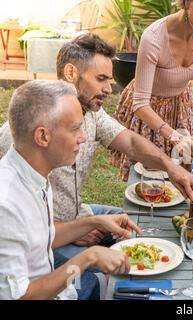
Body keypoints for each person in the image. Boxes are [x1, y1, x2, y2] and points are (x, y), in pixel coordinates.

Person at [0, 33, 193, 264]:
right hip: (45, 241)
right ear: (71, 73)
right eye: (101, 79)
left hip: (77, 215)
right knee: (114, 270)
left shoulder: (91, 112)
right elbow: (20, 229)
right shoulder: (22, 135)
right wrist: (78, 229)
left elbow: (131, 143)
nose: (108, 89)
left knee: (137, 222)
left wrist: (170, 167)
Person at [0, 80, 142, 300]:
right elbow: (19, 297)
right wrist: (89, 257)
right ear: (43, 136)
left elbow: (42, 237)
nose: (83, 137)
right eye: (75, 128)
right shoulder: (6, 205)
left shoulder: (34, 174)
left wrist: (94, 222)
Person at [110, 0, 193, 181]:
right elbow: (140, 103)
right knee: (148, 177)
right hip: (148, 109)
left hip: (180, 104)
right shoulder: (154, 37)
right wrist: (174, 136)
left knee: (181, 171)